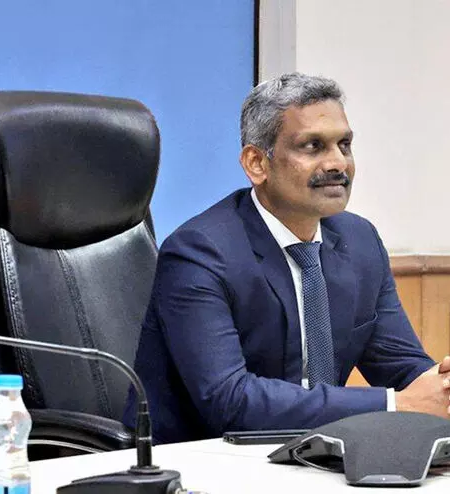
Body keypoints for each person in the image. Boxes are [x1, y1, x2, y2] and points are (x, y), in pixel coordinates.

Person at [125, 73, 450, 444]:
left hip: (314, 453)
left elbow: (402, 367)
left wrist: (441, 385)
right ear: (257, 163)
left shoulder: (360, 241)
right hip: (200, 457)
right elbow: (230, 402)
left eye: (344, 145)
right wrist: (394, 404)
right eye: (313, 146)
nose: (338, 163)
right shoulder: (199, 253)